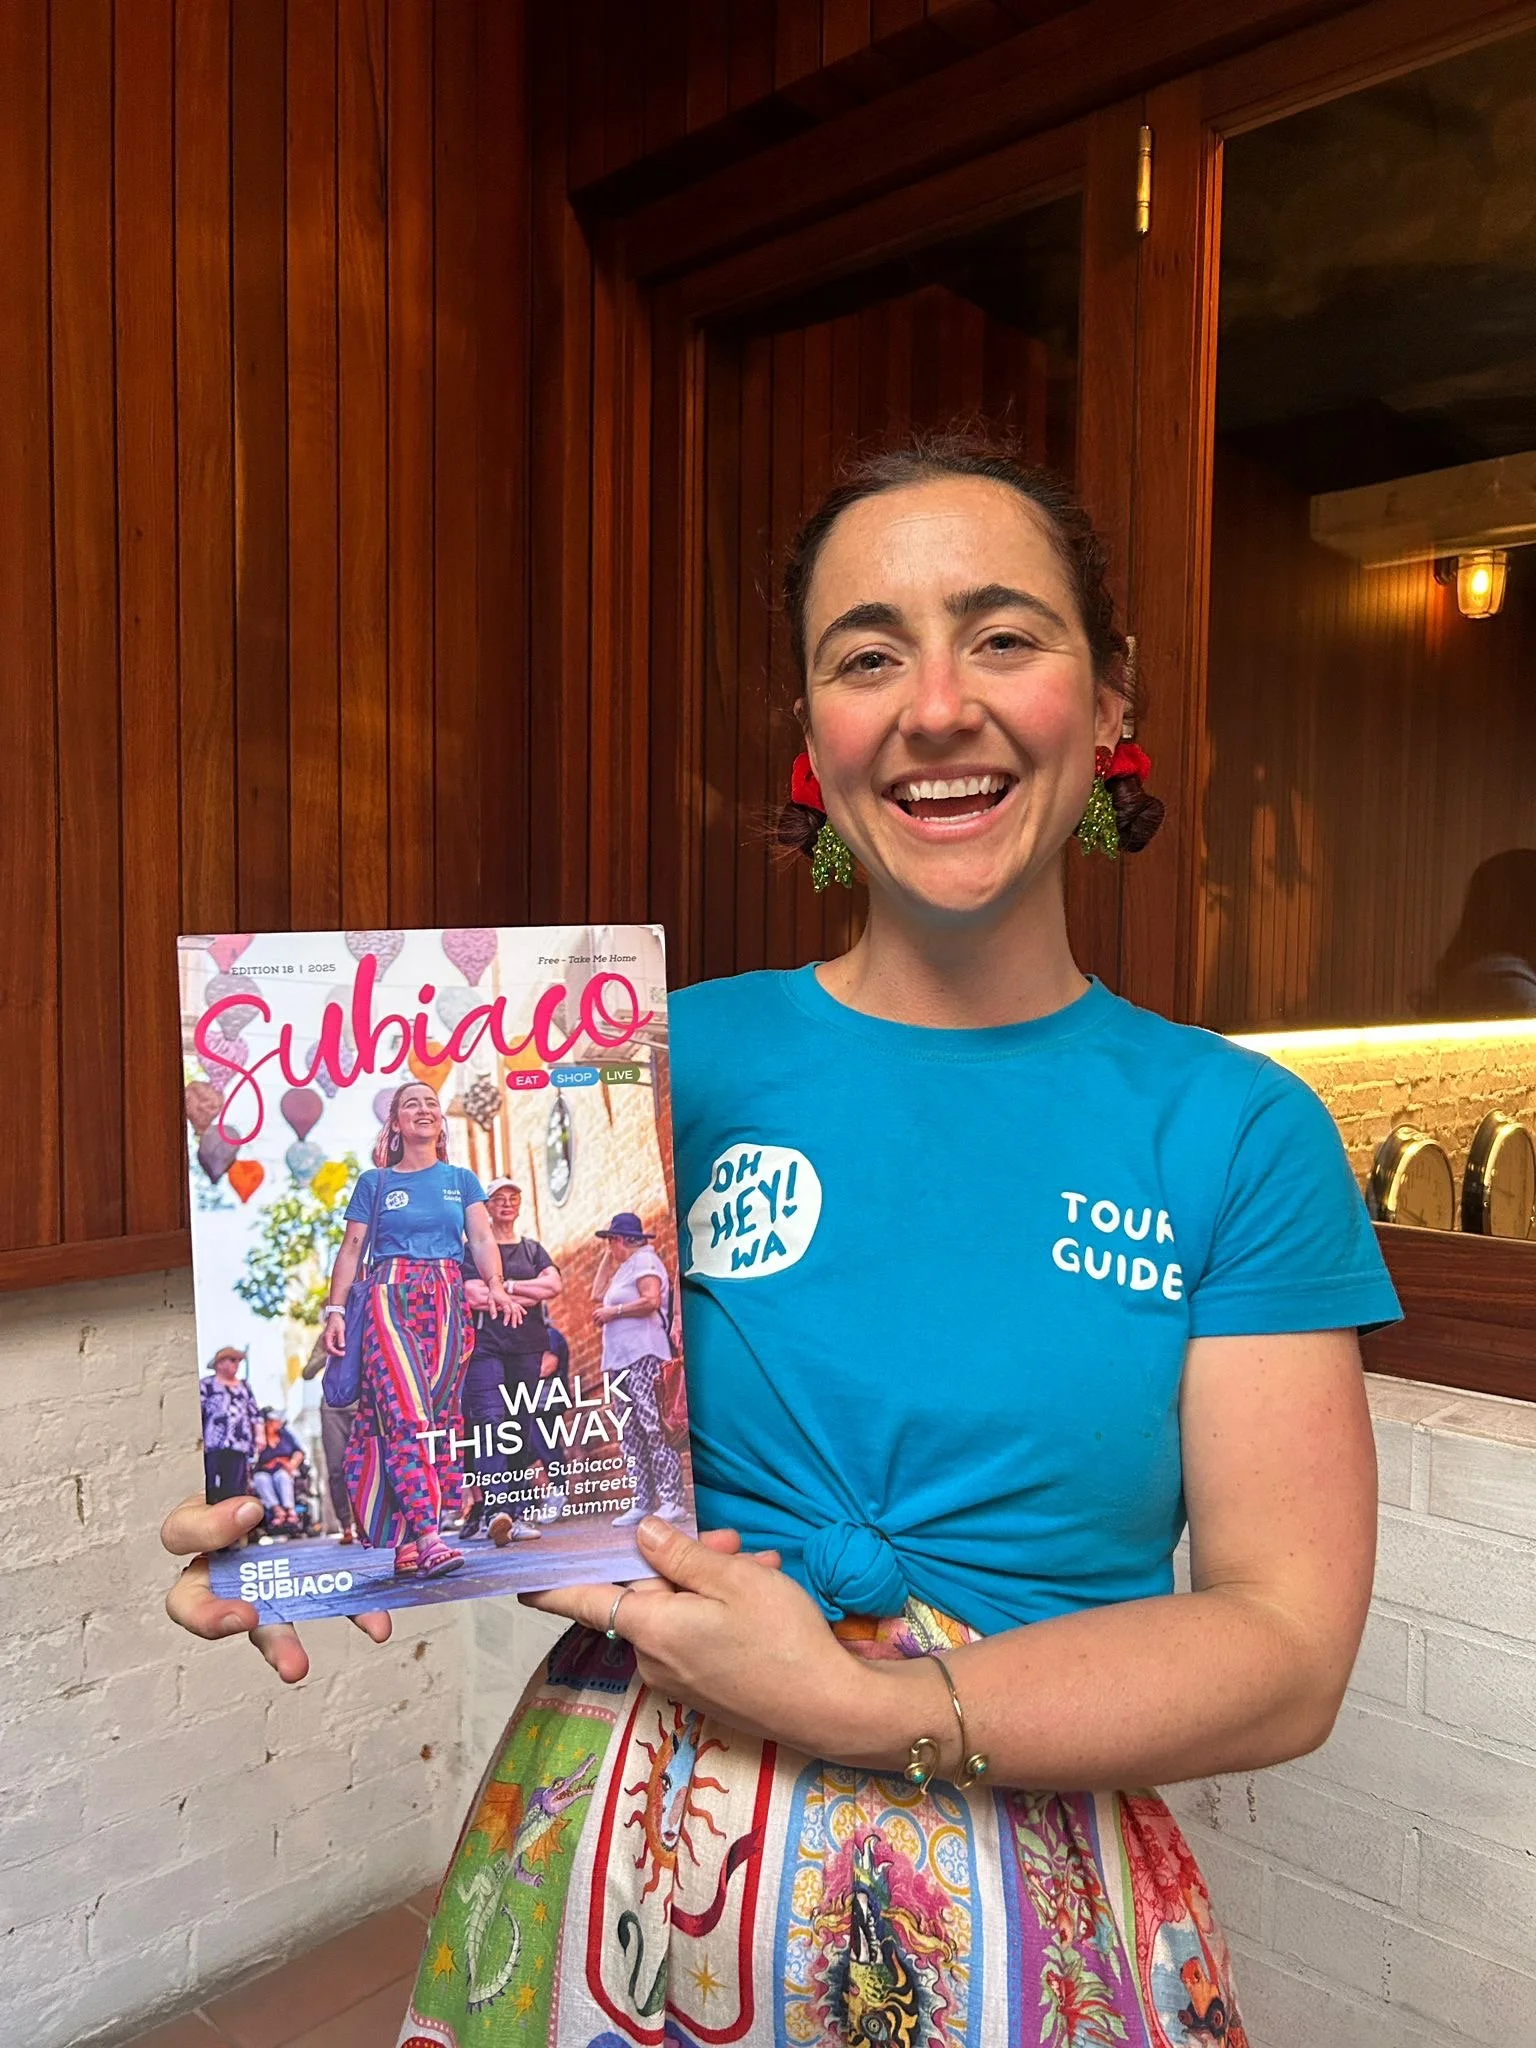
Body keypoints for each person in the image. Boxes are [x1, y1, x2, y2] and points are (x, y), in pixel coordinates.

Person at [163, 433, 1398, 2047]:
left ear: (1111, 696)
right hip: (617, 1853)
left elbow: (1284, 1648)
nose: (935, 705)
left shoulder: (1234, 1130)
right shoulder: (665, 1057)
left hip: (1016, 1901)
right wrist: (310, 1530)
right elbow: (544, 1441)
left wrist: (867, 1705)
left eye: (1003, 634)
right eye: (866, 656)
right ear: (815, 733)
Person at [325, 1080, 517, 1580]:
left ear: (440, 1119)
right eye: (412, 1103)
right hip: (390, 1296)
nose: (424, 1109)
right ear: (396, 1122)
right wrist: (335, 1310)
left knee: (435, 1419)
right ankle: (431, 1536)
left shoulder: (461, 1179)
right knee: (406, 1410)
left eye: (431, 1102)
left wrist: (496, 1286)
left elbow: (481, 1237)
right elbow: (351, 1250)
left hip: (448, 1300)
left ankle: (407, 1533)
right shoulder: (376, 1183)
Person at [457, 1175, 563, 1543]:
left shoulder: (532, 1250)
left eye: (512, 1197)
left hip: (527, 1346)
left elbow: (553, 1286)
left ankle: (514, 1514)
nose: (506, 1203)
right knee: (490, 1421)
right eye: (498, 1197)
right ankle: (496, 1509)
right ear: (486, 1206)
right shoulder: (474, 1250)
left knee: (520, 1424)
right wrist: (525, 1294)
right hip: (485, 1346)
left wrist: (504, 1288)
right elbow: (472, 1293)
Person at [591, 1209, 687, 1528]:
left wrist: (615, 1311)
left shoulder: (646, 1261)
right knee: (630, 1432)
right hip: (619, 1361)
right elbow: (595, 1294)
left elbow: (651, 1300)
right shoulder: (625, 1267)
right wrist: (610, 1253)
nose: (609, 1247)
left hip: (643, 1354)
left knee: (653, 1427)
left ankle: (672, 1500)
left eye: (611, 1241)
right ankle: (642, 1501)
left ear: (621, 1239)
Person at [198, 1347, 261, 1506]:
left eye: (238, 1361)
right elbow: (198, 1412)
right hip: (213, 1444)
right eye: (232, 1360)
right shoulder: (206, 1385)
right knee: (211, 1485)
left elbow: (255, 1413)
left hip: (239, 1445)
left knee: (235, 1489)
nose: (237, 1364)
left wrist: (260, 1435)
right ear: (219, 1364)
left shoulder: (244, 1387)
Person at [251, 1411, 306, 1535]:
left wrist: (291, 1464)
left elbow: (299, 1452)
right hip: (265, 1472)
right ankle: (278, 1511)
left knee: (281, 1476)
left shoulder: (285, 1435)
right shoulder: (259, 1438)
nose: (279, 1423)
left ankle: (290, 1510)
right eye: (275, 1421)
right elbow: (253, 1460)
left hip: (285, 1470)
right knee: (260, 1479)